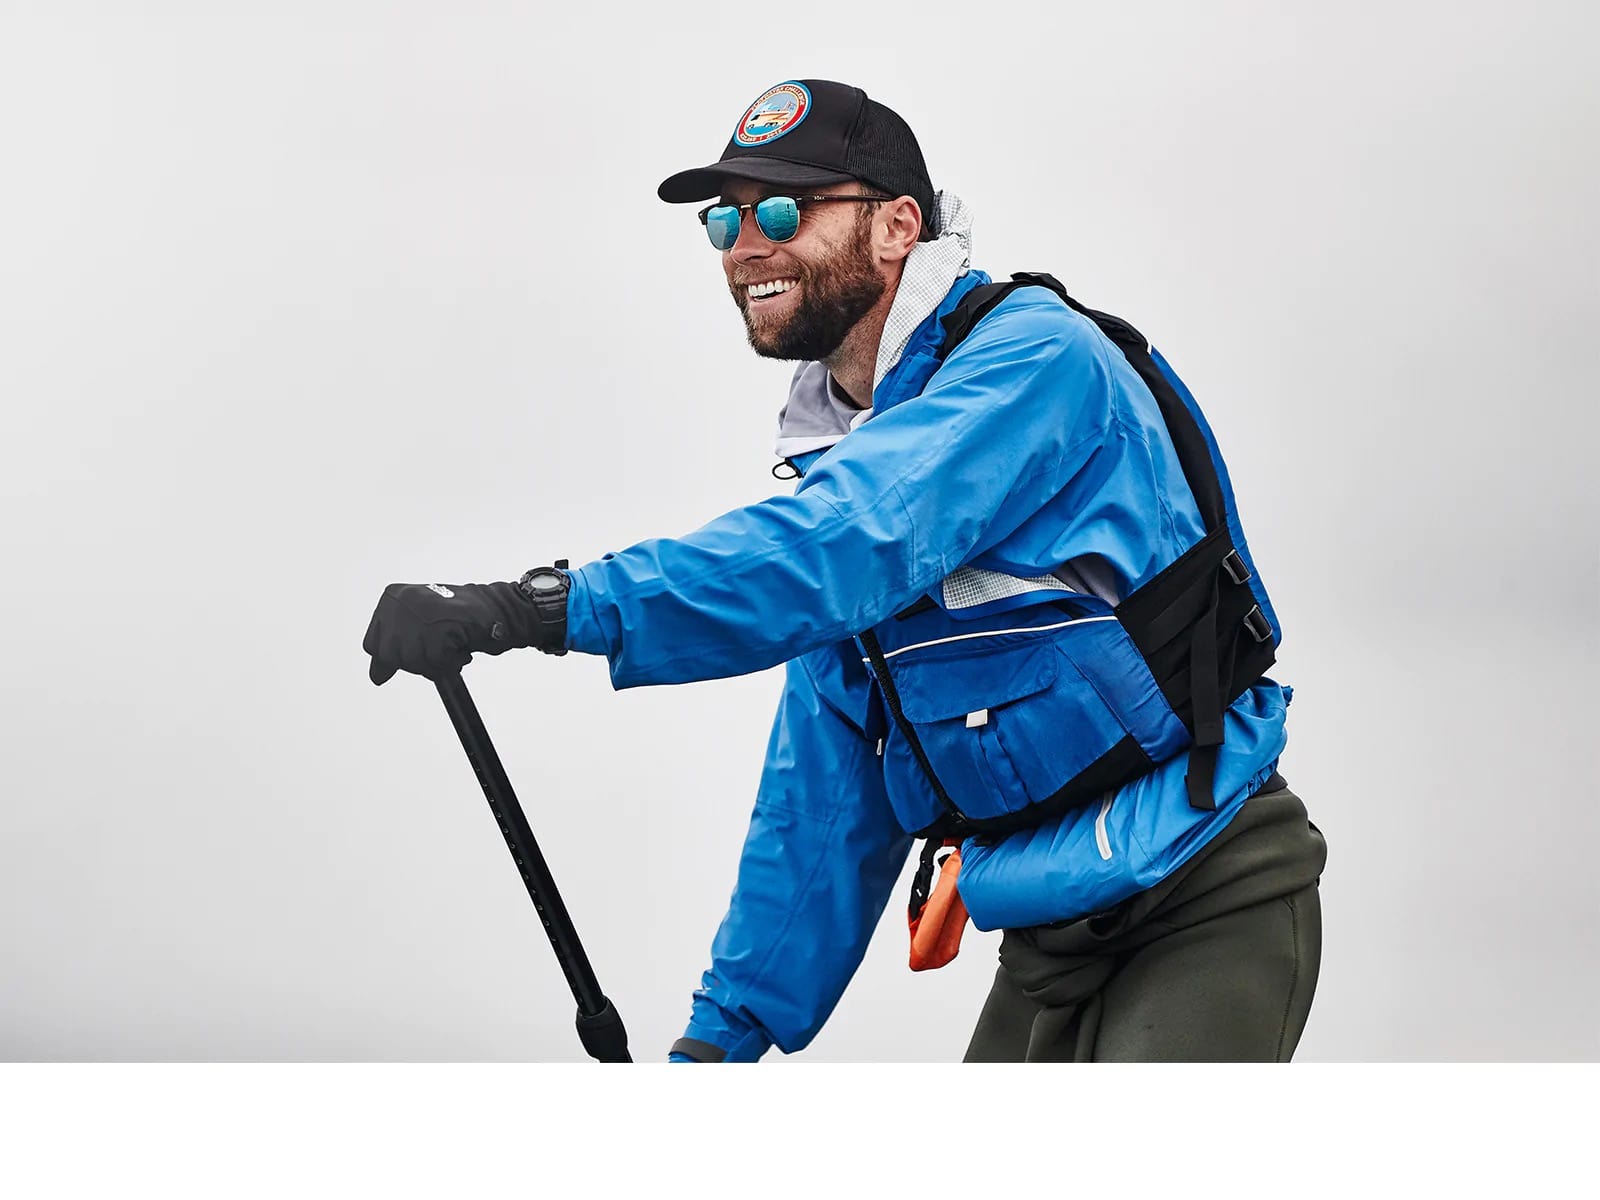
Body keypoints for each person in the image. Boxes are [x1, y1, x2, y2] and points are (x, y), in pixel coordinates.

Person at [362, 79, 1328, 1062]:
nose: (745, 244)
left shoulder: (1033, 363)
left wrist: (535, 607)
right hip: (1050, 940)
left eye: (783, 211)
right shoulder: (849, 455)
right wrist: (714, 1048)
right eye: (727, 219)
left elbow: (847, 539)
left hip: (1208, 895)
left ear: (898, 226)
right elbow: (824, 800)